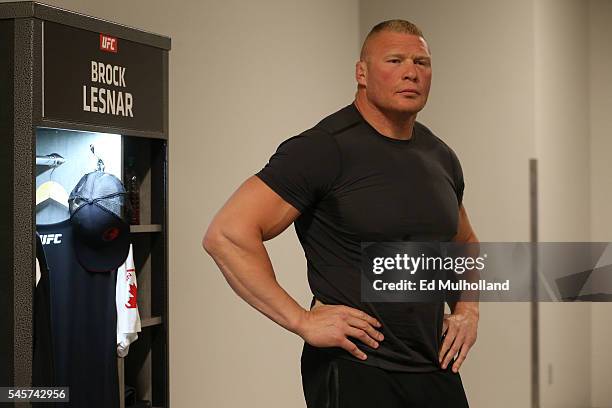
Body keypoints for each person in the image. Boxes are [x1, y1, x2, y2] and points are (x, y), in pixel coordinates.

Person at [203, 19, 479, 408]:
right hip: (355, 368)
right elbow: (227, 235)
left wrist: (468, 307)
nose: (411, 72)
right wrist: (301, 320)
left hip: (433, 367)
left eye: (422, 62)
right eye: (395, 60)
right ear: (361, 73)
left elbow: (462, 240)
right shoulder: (323, 148)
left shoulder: (440, 156)